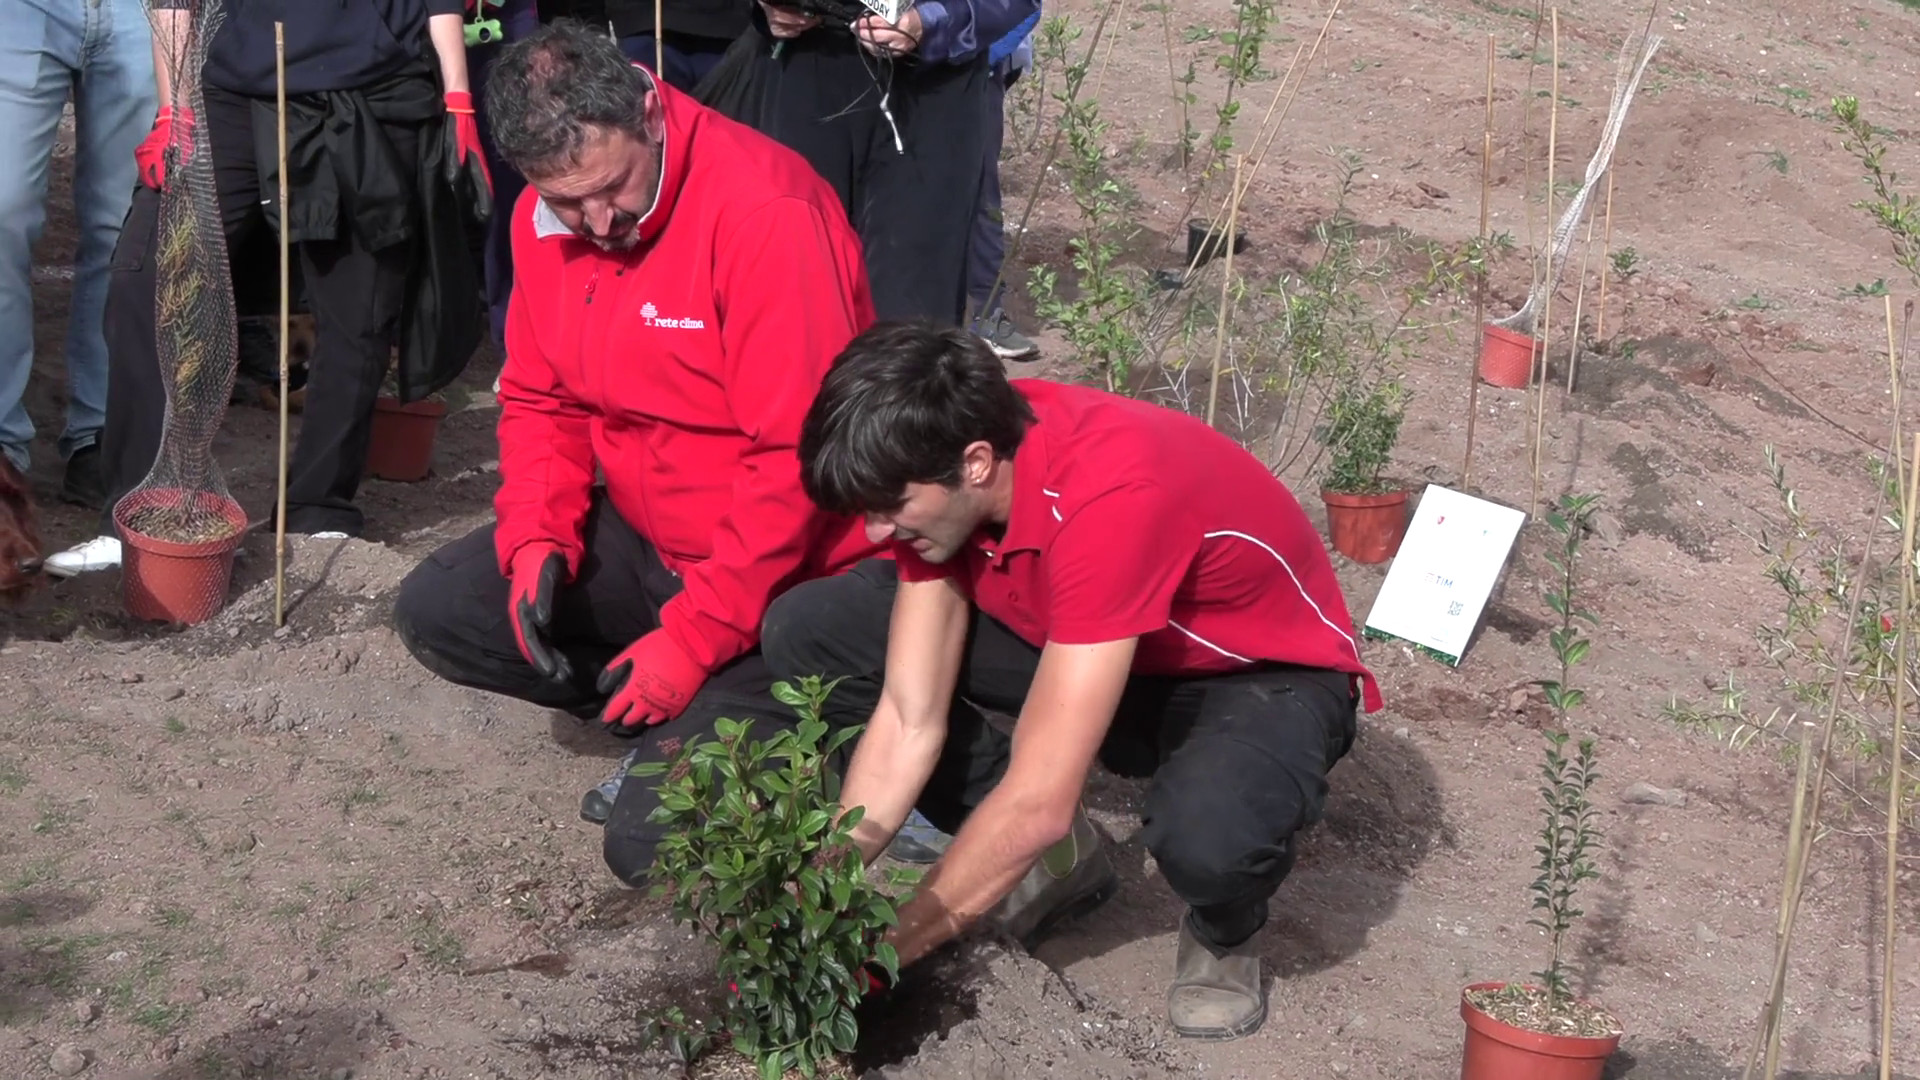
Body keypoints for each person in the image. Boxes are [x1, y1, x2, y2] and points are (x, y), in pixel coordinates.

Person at [759, 321, 1383, 1041]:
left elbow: (1036, 802)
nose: (872, 533)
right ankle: (1059, 866)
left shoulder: (1109, 493)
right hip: (1096, 640)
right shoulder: (944, 460)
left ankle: (1223, 930)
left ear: (977, 463)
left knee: (1209, 836)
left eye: (889, 506)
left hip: (1250, 673)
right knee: (815, 628)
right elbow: (907, 718)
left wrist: (877, 958)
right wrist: (813, 890)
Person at [390, 20, 881, 884]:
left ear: (652, 113)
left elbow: (798, 463)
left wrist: (697, 636)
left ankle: (838, 740)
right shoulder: (544, 220)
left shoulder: (765, 215)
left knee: (653, 848)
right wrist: (538, 532)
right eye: (566, 200)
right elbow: (544, 399)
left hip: (792, 582)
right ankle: (661, 708)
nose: (600, 220)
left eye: (613, 188)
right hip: (656, 538)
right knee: (446, 610)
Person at [44, 0, 487, 577]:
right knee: (147, 281)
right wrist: (173, 109)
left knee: (358, 309)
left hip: (373, 95)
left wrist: (457, 96)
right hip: (229, 94)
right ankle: (136, 517)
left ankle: (316, 509)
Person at [746, 0, 1036, 325]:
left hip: (931, 93)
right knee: (797, 287)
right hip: (806, 69)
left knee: (909, 311)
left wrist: (929, 22)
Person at [1, 0, 155, 509]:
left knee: (127, 221)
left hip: (147, 11)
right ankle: (3, 443)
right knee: (3, 213)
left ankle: (102, 433)